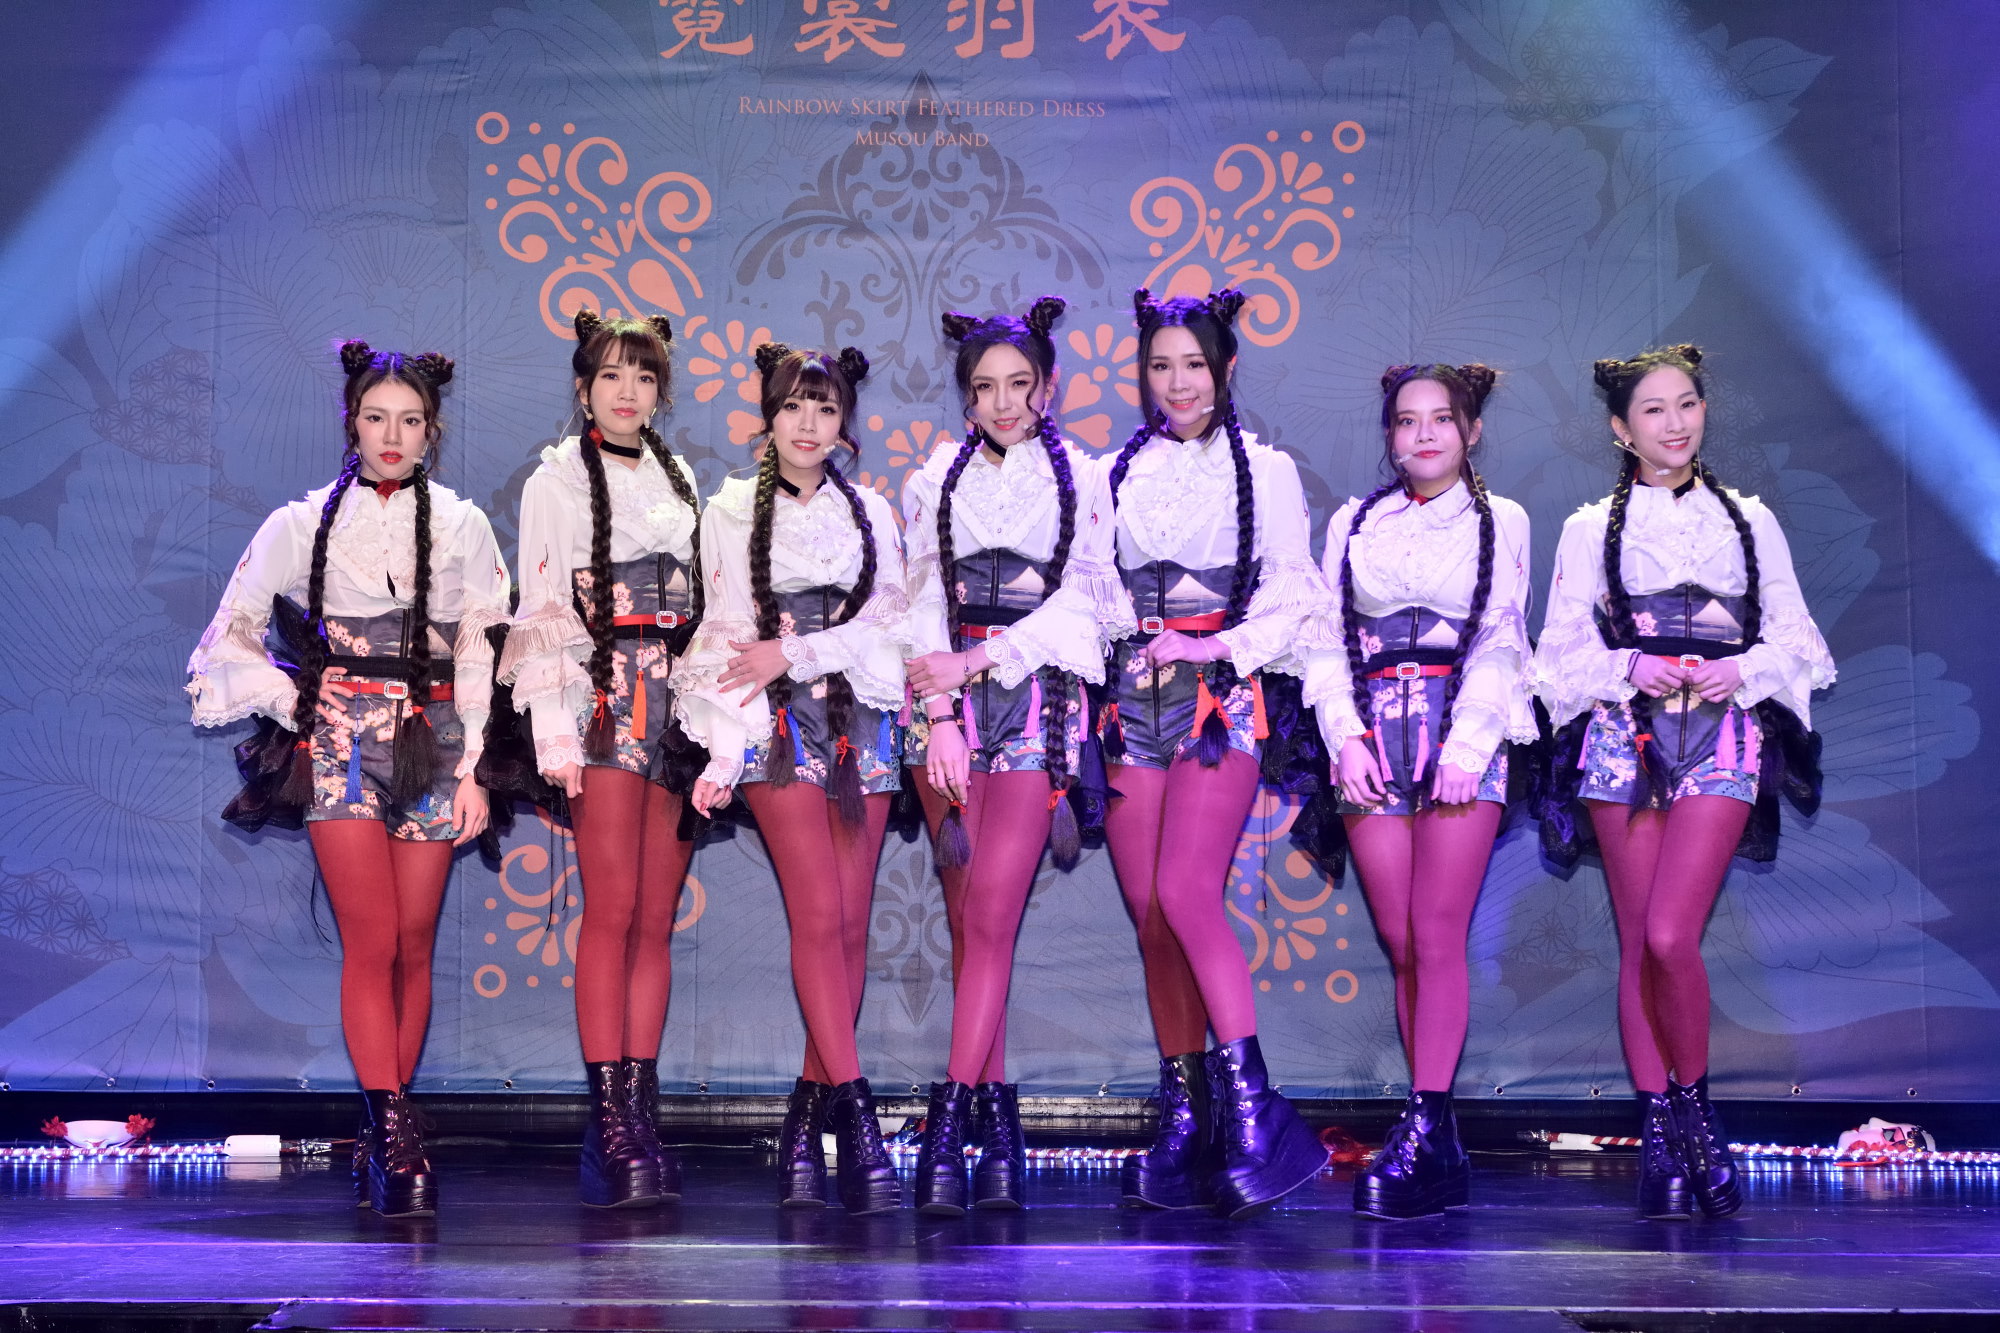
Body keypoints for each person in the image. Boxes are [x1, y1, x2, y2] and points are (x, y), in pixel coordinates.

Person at [189, 341, 507, 1217]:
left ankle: (382, 1130)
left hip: (435, 737)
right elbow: (229, 633)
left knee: (414, 939)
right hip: (339, 742)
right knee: (372, 938)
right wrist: (289, 697)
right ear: (351, 424)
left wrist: (476, 766)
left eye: (409, 420)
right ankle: (397, 1134)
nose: (391, 435)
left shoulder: (463, 525)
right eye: (376, 418)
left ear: (432, 431)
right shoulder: (298, 525)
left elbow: (481, 650)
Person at [1531, 344, 1833, 1219]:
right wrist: (1628, 663)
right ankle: (1662, 1136)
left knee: (1671, 933)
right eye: (1653, 410)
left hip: (1724, 734)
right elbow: (1556, 655)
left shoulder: (1750, 520)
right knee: (1638, 941)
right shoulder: (1591, 527)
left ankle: (1695, 1113)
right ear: (1621, 429)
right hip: (1624, 738)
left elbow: (1800, 640)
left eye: (1687, 404)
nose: (1674, 422)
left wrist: (1748, 668)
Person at [1100, 288, 1331, 1218]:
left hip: (1217, 695)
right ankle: (1188, 1118)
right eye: (1161, 365)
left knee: (1188, 892)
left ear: (1226, 368)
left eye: (1194, 364)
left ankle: (1258, 1114)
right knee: (1152, 914)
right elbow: (1090, 587)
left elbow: (1294, 597)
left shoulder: (1264, 472)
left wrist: (1216, 647)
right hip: (1128, 701)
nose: (1178, 382)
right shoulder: (1113, 471)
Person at [900, 296, 1133, 1214]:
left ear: (1049, 387)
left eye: (1019, 384)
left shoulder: (1085, 478)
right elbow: (922, 601)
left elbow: (1082, 609)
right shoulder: (934, 480)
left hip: (1039, 705)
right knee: (967, 923)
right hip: (946, 716)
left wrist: (977, 662)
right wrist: (942, 710)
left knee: (992, 915)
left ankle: (945, 1128)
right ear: (966, 395)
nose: (1004, 402)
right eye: (986, 386)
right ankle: (998, 1136)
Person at [673, 343, 909, 1215]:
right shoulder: (732, 509)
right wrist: (722, 752)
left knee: (849, 925)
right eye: (793, 406)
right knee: (817, 914)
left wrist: (801, 649)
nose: (809, 423)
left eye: (826, 407)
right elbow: (729, 635)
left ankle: (806, 1124)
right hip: (775, 725)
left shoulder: (873, 512)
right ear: (768, 416)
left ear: (844, 421)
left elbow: (891, 624)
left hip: (864, 718)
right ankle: (860, 1120)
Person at [1307, 363, 1534, 1218]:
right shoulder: (1353, 521)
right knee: (1403, 939)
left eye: (1443, 418)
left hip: (1458, 734)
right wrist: (1343, 734)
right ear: (1390, 434)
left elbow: (1503, 636)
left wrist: (1469, 743)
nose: (1426, 433)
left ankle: (1429, 1126)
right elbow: (1324, 637)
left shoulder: (1501, 519)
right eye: (1408, 420)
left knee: (1437, 932)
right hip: (1372, 737)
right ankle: (1432, 1136)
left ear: (1471, 430)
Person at [499, 310, 705, 1208]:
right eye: (613, 375)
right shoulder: (554, 481)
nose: (629, 391)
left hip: (677, 700)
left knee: (655, 916)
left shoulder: (678, 475)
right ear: (583, 390)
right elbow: (543, 605)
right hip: (600, 692)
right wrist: (554, 727)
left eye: (645, 376)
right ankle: (609, 1124)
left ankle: (641, 1115)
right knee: (612, 907)